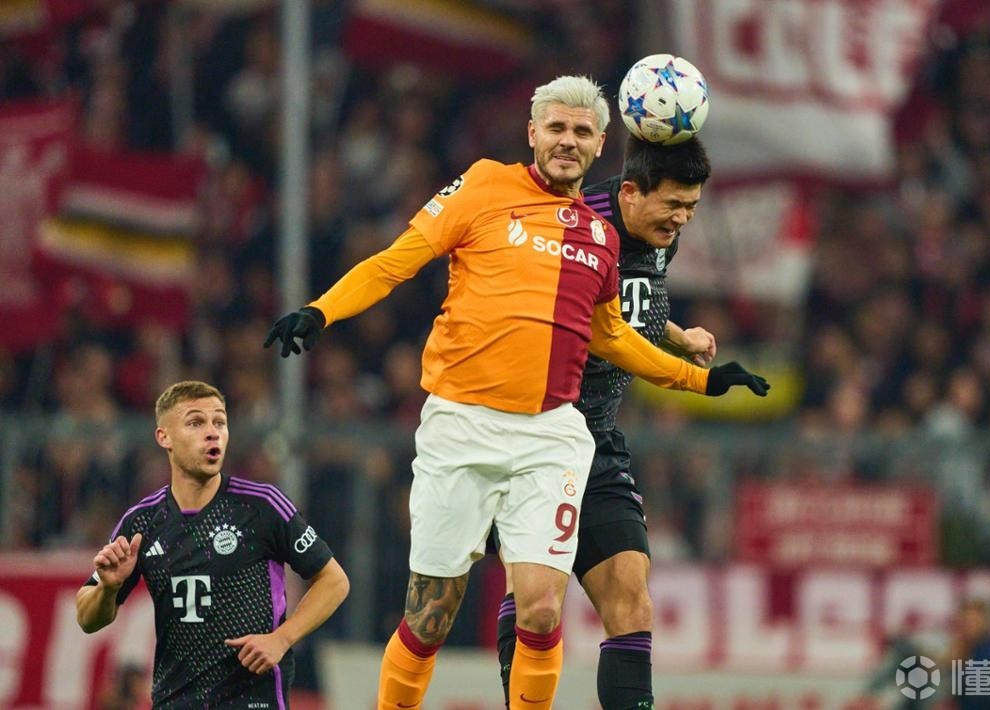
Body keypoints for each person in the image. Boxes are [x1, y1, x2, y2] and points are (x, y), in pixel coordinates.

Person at [265, 75, 768, 710]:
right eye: (556, 128)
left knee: (541, 607)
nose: (567, 140)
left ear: (600, 145)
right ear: (533, 133)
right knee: (429, 617)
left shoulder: (601, 236)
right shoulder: (483, 185)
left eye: (581, 132)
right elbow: (396, 261)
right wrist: (322, 310)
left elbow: (613, 336)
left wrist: (700, 380)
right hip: (461, 425)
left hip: (551, 434)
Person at [494, 135, 740, 709]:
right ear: (630, 192)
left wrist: (677, 335)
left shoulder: (661, 238)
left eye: (691, 208)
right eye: (673, 205)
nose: (681, 219)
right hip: (533, 435)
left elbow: (620, 305)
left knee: (632, 601)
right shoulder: (575, 221)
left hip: (598, 440)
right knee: (538, 605)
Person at [75, 381, 350, 709]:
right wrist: (107, 589)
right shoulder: (141, 522)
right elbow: (87, 618)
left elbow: (334, 581)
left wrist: (282, 638)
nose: (212, 433)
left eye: (219, 422)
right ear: (164, 437)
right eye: (195, 423)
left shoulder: (262, 505)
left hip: (253, 701)